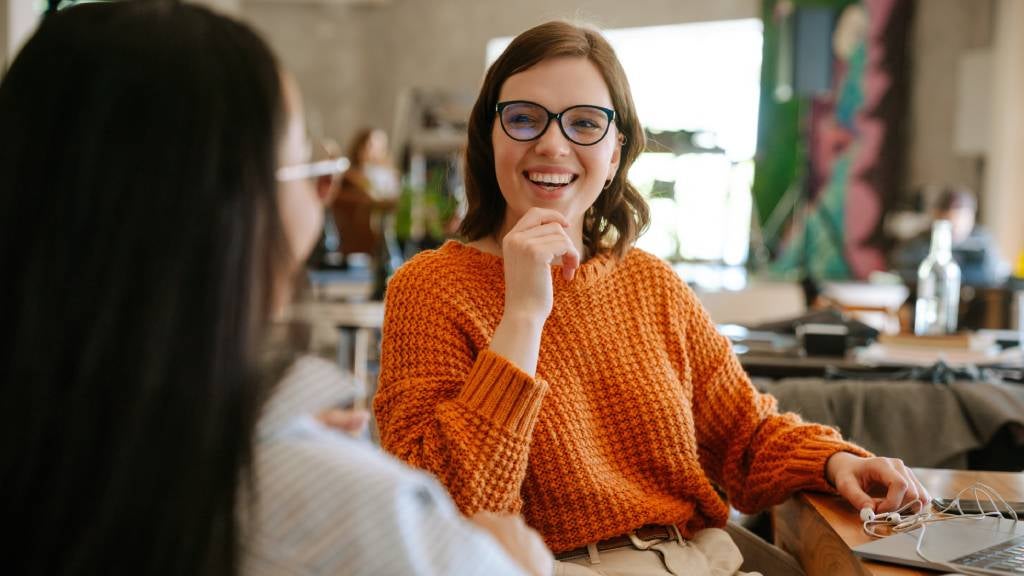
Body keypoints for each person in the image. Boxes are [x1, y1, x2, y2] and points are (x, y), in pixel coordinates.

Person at [0, 3, 550, 575]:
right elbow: (453, 494)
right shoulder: (360, 511)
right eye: (303, 161)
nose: (553, 147)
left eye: (586, 122)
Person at [374, 20, 931, 576]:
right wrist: (522, 313)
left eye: (585, 124)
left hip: (699, 557)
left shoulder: (649, 283)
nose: (551, 143)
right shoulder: (430, 289)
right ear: (489, 136)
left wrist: (834, 461)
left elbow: (743, 432)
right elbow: (446, 508)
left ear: (615, 153)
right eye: (523, 119)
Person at [891, 186, 1007, 287]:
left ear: (971, 217)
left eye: (960, 224)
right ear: (936, 216)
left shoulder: (984, 242)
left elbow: (996, 275)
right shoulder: (917, 244)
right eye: (948, 224)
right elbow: (899, 272)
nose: (954, 231)